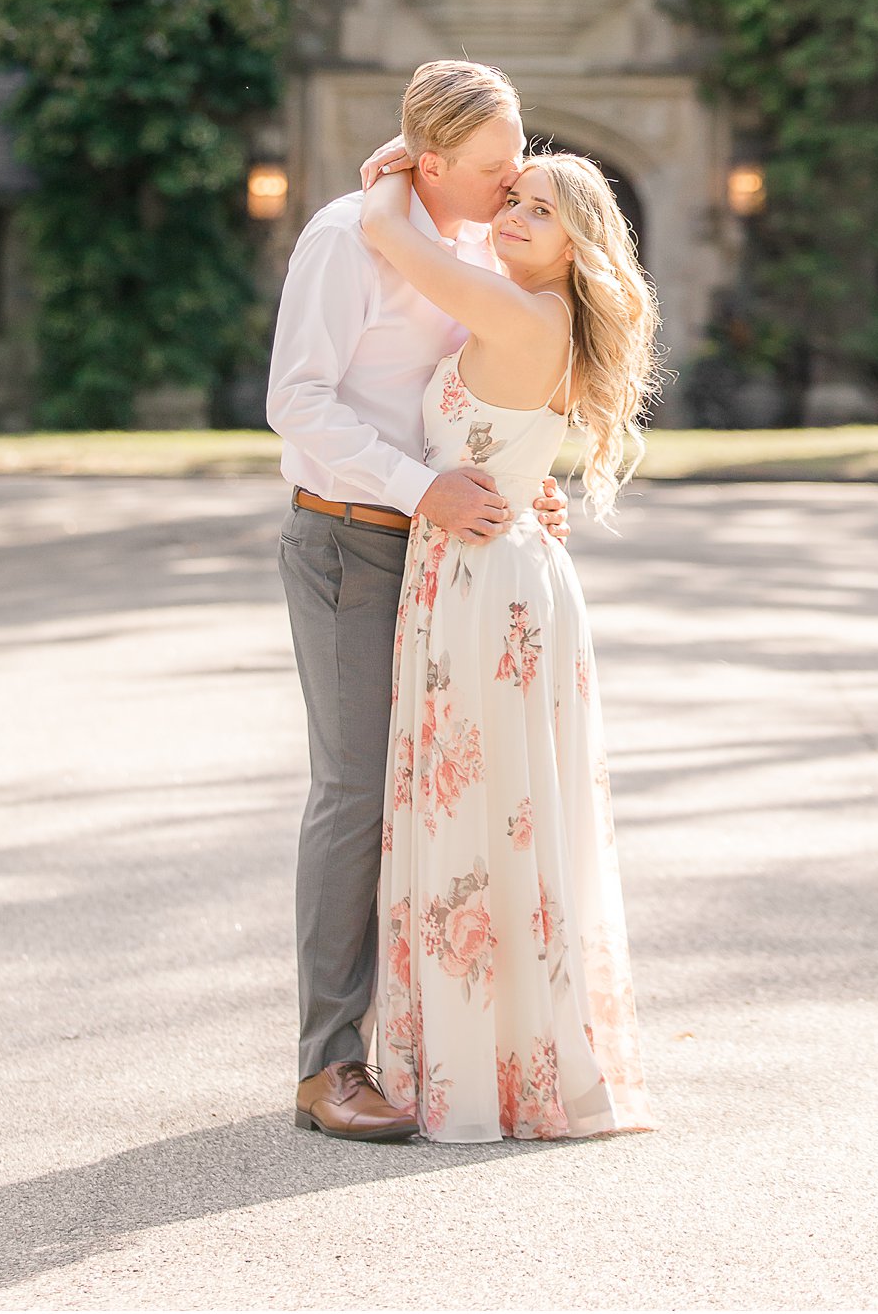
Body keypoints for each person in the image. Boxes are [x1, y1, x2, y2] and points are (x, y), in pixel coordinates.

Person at [266, 60, 570, 1143]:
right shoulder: (345, 237)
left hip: (450, 563)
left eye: (519, 154)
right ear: (429, 160)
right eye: (495, 164)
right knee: (354, 794)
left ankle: (414, 1035)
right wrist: (421, 491)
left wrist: (507, 492)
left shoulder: (468, 242)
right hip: (352, 541)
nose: (513, 178)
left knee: (426, 796)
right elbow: (293, 403)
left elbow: (473, 394)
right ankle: (325, 1067)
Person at [361, 145, 658, 1142]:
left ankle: (487, 1072)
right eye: (514, 200)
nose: (515, 215)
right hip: (486, 565)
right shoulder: (525, 308)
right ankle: (485, 1055)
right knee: (492, 805)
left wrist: (390, 164)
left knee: (490, 808)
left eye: (540, 209)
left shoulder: (526, 312)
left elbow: (387, 235)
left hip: (486, 586)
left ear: (579, 244)